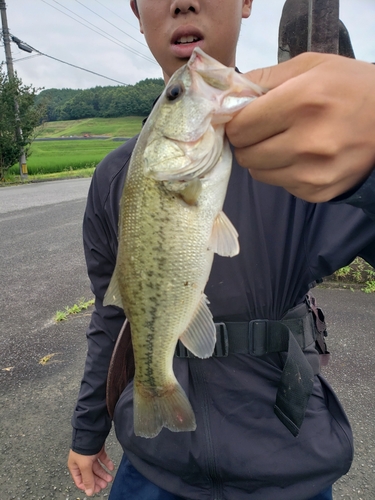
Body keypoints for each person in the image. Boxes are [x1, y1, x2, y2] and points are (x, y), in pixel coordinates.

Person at [67, 1, 375, 499]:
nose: (183, 2)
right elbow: (112, 319)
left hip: (288, 465)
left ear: (247, 2)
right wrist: (86, 433)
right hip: (153, 469)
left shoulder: (321, 146)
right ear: (135, 9)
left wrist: (371, 168)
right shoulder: (114, 178)